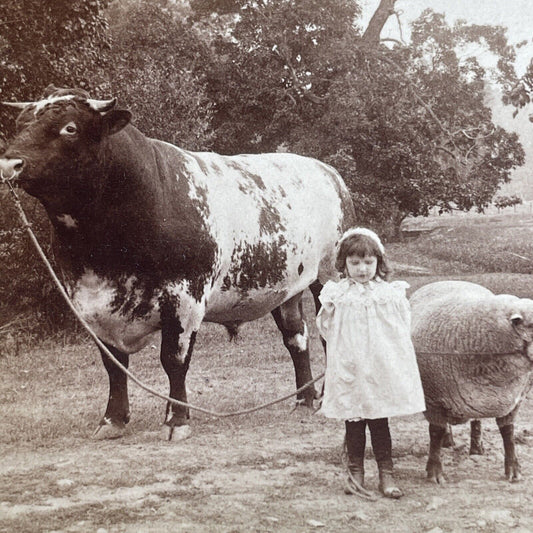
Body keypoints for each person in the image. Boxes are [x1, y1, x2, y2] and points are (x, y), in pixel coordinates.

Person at [316, 227, 426, 499]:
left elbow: (400, 330)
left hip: (378, 368)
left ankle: (386, 474)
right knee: (353, 422)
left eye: (368, 262)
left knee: (379, 421)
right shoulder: (337, 295)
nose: (362, 269)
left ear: (379, 262)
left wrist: (390, 358)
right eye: (354, 263)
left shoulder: (389, 294)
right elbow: (326, 329)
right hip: (350, 368)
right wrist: (330, 314)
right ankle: (355, 472)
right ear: (344, 264)